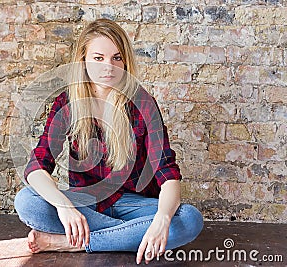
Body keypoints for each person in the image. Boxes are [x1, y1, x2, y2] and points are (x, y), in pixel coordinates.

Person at [14, 18, 203, 265]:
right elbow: (37, 165)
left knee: (189, 219)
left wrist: (162, 220)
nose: (109, 67)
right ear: (83, 60)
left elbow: (167, 173)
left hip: (136, 205)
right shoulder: (67, 103)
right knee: (27, 201)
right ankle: (129, 235)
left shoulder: (143, 104)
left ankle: (74, 243)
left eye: (116, 58)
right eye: (98, 58)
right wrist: (65, 208)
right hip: (86, 204)